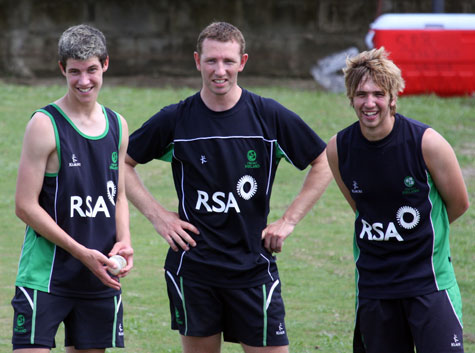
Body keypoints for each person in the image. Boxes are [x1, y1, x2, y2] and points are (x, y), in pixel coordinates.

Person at [125, 21, 333, 353]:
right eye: (211, 61)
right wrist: (158, 216)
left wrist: (289, 220)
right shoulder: (177, 118)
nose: (219, 70)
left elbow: (323, 161)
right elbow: (122, 162)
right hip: (194, 270)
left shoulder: (268, 116)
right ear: (197, 61)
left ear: (243, 62)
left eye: (228, 61)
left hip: (253, 268)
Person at [326, 47, 469, 353]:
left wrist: (419, 237)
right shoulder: (339, 148)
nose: (369, 103)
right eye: (361, 94)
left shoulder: (426, 143)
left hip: (429, 284)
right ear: (350, 98)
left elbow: (458, 204)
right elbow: (360, 207)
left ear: (393, 97)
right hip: (375, 289)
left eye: (378, 93)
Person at [12, 24, 133, 353]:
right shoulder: (44, 124)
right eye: (75, 71)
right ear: (62, 69)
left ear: (105, 65)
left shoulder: (118, 125)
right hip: (46, 277)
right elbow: (25, 206)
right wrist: (81, 253)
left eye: (92, 70)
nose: (84, 81)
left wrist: (124, 240)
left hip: (98, 277)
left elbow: (118, 195)